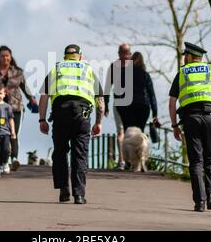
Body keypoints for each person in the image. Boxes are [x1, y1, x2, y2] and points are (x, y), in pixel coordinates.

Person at [168, 42, 211, 212]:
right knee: (210, 158)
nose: (184, 58)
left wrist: (175, 125)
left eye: (186, 56)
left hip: (191, 120)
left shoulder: (182, 72)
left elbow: (172, 101)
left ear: (191, 57)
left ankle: (200, 202)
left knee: (196, 161)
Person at [39, 44, 104, 204]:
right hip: (82, 114)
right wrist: (99, 122)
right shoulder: (88, 70)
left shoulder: (57, 69)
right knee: (79, 155)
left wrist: (42, 120)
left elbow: (44, 96)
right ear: (80, 56)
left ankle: (63, 191)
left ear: (65, 56)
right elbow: (100, 101)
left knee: (60, 152)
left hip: (60, 113)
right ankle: (79, 195)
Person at [0, 45, 37, 172]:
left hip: (15, 107)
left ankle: (14, 159)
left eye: (7, 55)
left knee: (13, 134)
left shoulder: (18, 72)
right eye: (2, 56)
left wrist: (31, 99)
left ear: (11, 57)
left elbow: (25, 87)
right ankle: (2, 161)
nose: (5, 58)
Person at [104, 43, 131, 171]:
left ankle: (121, 162)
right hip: (133, 102)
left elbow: (107, 87)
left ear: (119, 53)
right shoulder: (134, 65)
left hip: (119, 102)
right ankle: (133, 161)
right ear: (129, 53)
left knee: (120, 133)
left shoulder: (114, 66)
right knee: (132, 132)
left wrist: (106, 105)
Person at [115, 52, 159, 132]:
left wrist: (120, 109)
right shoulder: (145, 75)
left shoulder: (124, 74)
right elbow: (152, 95)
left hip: (128, 106)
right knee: (139, 131)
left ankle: (129, 143)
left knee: (128, 132)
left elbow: (117, 93)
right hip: (143, 106)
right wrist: (155, 114)